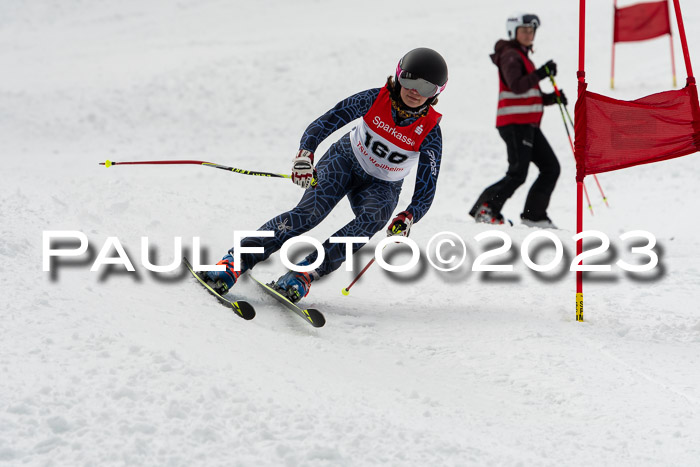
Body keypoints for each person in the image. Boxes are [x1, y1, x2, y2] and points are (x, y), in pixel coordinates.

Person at [202, 48, 448, 303]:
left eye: (426, 87)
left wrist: (409, 216)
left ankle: (303, 273)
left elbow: (427, 186)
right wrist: (304, 155)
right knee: (309, 214)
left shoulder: (430, 132)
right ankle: (234, 262)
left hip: (382, 185)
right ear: (398, 76)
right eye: (409, 80)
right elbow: (327, 121)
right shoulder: (375, 99)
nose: (415, 91)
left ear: (437, 93)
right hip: (344, 160)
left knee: (374, 219)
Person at [469, 13, 564, 228]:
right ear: (514, 32)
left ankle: (534, 216)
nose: (529, 34)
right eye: (525, 30)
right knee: (518, 173)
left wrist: (551, 98)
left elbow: (526, 92)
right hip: (515, 124)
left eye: (532, 31)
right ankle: (486, 209)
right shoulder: (510, 55)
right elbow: (516, 86)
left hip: (526, 124)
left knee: (551, 167)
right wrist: (541, 73)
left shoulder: (521, 55)